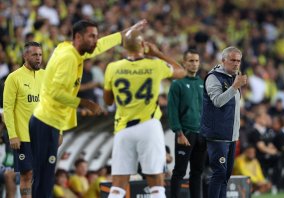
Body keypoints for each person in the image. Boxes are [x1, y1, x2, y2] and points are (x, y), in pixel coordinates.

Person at [28, 19, 148, 198]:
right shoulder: (69, 58)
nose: (95, 40)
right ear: (78, 37)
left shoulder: (71, 49)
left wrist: (126, 33)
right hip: (46, 122)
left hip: (50, 122)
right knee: (44, 179)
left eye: (96, 36)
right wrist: (85, 103)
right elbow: (55, 92)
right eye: (91, 36)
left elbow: (99, 46)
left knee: (44, 177)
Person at [103, 29, 186, 198]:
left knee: (118, 185)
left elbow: (108, 101)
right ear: (143, 45)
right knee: (156, 184)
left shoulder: (112, 67)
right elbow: (182, 72)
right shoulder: (154, 65)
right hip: (149, 126)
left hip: (123, 128)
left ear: (124, 47)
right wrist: (157, 53)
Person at [200, 46, 247, 198]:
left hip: (231, 135)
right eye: (232, 60)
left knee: (225, 175)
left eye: (238, 61)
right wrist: (235, 87)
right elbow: (217, 101)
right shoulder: (214, 77)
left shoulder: (233, 77)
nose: (236, 64)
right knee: (219, 172)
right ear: (223, 60)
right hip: (217, 135)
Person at [3, 41, 44, 198]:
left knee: (42, 175)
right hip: (23, 137)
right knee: (27, 175)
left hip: (43, 136)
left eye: (40, 55)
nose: (38, 58)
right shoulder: (13, 78)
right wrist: (12, 134)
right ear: (25, 55)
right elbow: (8, 109)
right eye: (34, 55)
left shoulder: (46, 75)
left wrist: (58, 131)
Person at [168, 49, 207, 198]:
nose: (194, 64)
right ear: (184, 63)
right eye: (191, 61)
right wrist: (179, 132)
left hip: (201, 135)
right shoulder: (177, 84)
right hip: (185, 134)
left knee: (197, 172)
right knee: (179, 171)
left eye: (197, 61)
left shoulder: (202, 83)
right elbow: (172, 111)